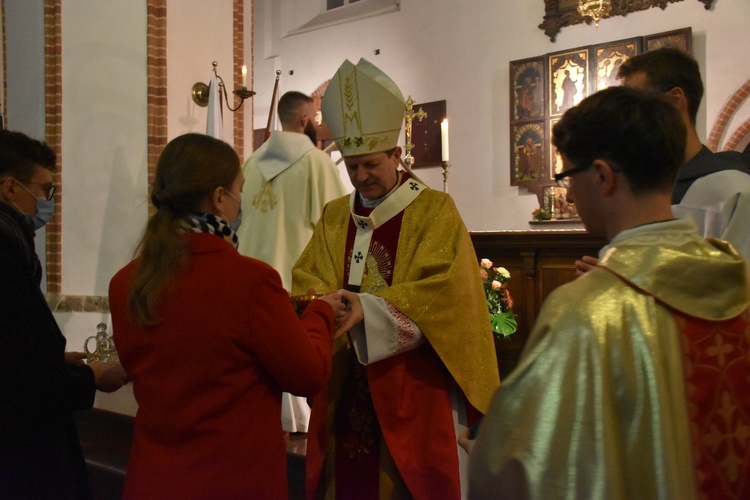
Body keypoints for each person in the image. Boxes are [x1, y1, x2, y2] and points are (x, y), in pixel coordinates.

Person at [469, 86, 750, 499]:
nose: (566, 193)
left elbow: (520, 467)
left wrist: (481, 453)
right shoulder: (734, 279)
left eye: (567, 176)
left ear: (602, 176)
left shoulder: (586, 311)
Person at [292, 58, 500, 499]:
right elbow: (307, 278)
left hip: (411, 385)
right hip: (345, 380)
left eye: (370, 164)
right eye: (352, 167)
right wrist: (325, 305)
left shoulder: (433, 211)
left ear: (396, 155)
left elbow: (446, 293)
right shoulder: (334, 217)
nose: (360, 176)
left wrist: (365, 309)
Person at [108, 133, 346, 499]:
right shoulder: (250, 281)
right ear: (220, 197)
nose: (241, 204)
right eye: (241, 191)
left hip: (154, 480)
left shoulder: (125, 282)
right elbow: (308, 375)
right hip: (231, 481)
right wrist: (320, 312)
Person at [0, 129, 128, 499]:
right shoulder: (4, 252)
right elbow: (13, 381)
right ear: (10, 188)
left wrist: (53, 359)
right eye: (45, 190)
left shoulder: (12, 243)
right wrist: (89, 378)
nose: (48, 201)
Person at [576, 47, 750, 273]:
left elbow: (734, 294)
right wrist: (609, 281)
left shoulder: (733, 191)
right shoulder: (636, 190)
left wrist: (625, 284)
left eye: (636, 106)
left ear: (675, 100)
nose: (627, 120)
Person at [236, 91, 347, 433]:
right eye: (314, 117)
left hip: (248, 277)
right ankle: (300, 418)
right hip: (294, 277)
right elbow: (338, 223)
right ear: (305, 120)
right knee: (294, 350)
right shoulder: (316, 162)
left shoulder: (252, 163)